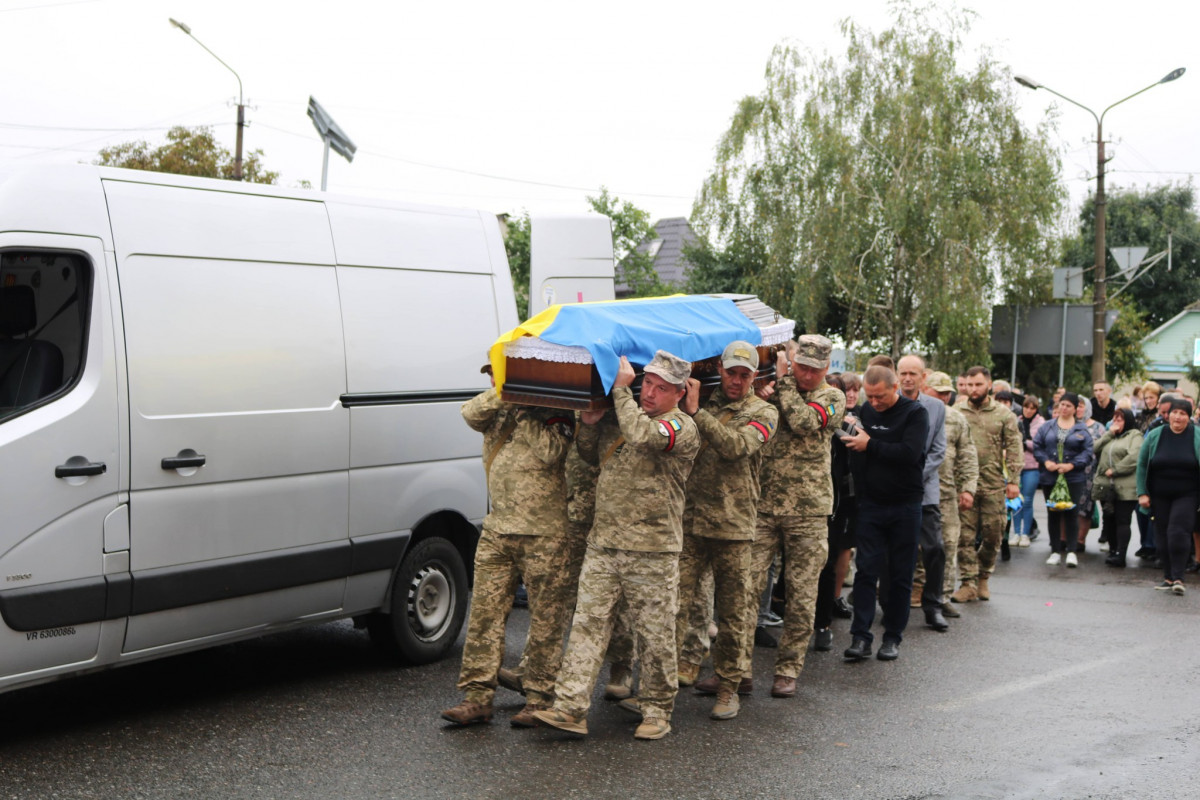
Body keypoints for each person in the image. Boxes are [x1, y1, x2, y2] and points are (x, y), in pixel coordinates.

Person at [535, 351, 699, 741]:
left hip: (653, 550)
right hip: (605, 543)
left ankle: (657, 708)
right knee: (587, 624)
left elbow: (644, 437)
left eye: (661, 388)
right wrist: (590, 425)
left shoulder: (681, 426)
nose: (650, 393)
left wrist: (622, 392)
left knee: (655, 633)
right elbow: (591, 457)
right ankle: (570, 707)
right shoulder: (623, 417)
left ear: (679, 393)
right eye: (648, 384)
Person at [442, 375, 573, 727]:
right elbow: (469, 414)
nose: (493, 377)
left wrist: (528, 408)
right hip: (499, 528)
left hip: (545, 532)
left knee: (546, 618)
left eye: (501, 372)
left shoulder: (554, 410)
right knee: (485, 613)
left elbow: (553, 452)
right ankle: (477, 696)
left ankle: (539, 697)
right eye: (493, 372)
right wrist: (505, 393)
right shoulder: (496, 407)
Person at [673, 340, 778, 721]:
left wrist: (696, 412)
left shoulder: (763, 412)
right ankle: (660, 689)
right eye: (731, 372)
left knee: (734, 613)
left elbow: (735, 447)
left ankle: (729, 687)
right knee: (674, 608)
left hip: (734, 526)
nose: (736, 380)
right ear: (720, 368)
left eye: (744, 375)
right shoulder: (705, 400)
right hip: (691, 521)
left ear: (754, 377)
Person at [749, 334, 846, 697]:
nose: (806, 375)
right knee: (746, 589)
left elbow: (805, 421)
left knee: (802, 594)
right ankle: (736, 670)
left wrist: (785, 382)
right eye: (800, 366)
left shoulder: (832, 397)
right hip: (764, 505)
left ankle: (788, 670)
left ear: (825, 369)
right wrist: (764, 394)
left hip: (808, 511)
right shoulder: (775, 388)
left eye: (813, 370)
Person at [841, 365, 928, 662]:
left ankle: (892, 637)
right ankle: (860, 636)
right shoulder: (865, 410)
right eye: (871, 396)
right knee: (866, 571)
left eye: (880, 397)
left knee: (900, 575)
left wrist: (871, 444)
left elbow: (910, 453)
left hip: (905, 504)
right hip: (872, 505)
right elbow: (856, 451)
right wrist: (851, 431)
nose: (875, 403)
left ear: (895, 388)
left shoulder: (915, 413)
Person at [950, 367, 1022, 602]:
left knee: (993, 534)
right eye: (969, 385)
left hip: (993, 485)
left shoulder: (1004, 414)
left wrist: (1013, 480)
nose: (973, 389)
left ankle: (983, 577)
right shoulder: (956, 412)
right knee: (965, 537)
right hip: (963, 485)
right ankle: (968, 582)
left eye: (978, 385)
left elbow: (1013, 447)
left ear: (989, 385)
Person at [896, 355, 948, 632]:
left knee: (934, 549)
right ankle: (893, 604)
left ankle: (933, 605)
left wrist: (914, 475)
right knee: (893, 550)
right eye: (903, 373)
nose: (907, 378)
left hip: (924, 489)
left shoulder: (936, 407)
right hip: (891, 488)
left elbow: (939, 449)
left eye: (913, 373)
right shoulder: (885, 400)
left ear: (923, 376)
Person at [922, 371, 978, 619]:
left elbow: (967, 455)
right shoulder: (914, 413)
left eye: (948, 392)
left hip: (946, 494)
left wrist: (968, 488)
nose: (944, 397)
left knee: (948, 545)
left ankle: (942, 596)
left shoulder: (956, 419)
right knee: (914, 547)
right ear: (927, 390)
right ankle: (915, 591)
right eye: (939, 392)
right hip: (914, 491)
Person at [1136, 397, 1200, 595]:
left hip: (1188, 494)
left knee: (1177, 532)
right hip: (1159, 494)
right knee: (1161, 536)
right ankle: (1168, 576)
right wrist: (1142, 493)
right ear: (1168, 414)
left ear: (1189, 417)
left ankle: (1179, 577)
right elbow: (1142, 464)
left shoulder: (1197, 436)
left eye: (1183, 414)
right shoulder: (1155, 435)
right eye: (1175, 412)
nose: (1178, 417)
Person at [813, 374, 858, 648]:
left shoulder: (848, 427)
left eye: (836, 393)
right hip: (798, 505)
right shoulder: (807, 419)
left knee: (827, 565)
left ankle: (822, 625)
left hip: (833, 504)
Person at [1032, 392, 1093, 567]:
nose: (1064, 408)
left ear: (1075, 409)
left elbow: (1088, 452)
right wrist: (1046, 461)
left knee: (1072, 513)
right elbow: (1038, 446)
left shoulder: (1081, 429)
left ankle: (1072, 551)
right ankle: (1055, 550)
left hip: (1073, 476)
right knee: (1053, 513)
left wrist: (1072, 465)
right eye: (1061, 405)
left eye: (1068, 406)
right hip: (1050, 476)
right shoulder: (1047, 427)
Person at [1094, 408, 1143, 568]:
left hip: (1125, 486)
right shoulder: (1111, 436)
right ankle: (1113, 550)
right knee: (1109, 519)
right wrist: (1108, 433)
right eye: (1114, 420)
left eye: (1120, 420)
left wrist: (1115, 470)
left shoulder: (1134, 435)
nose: (1116, 423)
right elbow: (1094, 448)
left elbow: (1134, 456)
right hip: (1107, 488)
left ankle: (1121, 554)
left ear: (1127, 421)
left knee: (1122, 520)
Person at [1011, 396, 1044, 547]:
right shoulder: (1015, 419)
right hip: (1016, 466)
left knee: (1028, 501)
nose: (1029, 411)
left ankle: (1026, 533)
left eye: (1032, 408)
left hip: (1032, 466)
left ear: (1036, 410)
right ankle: (1016, 532)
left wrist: (1025, 442)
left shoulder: (1041, 423)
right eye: (1026, 407)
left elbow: (1040, 445)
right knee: (1015, 501)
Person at [1075, 398, 1106, 551]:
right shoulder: (1065, 424)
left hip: (1089, 473)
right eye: (1076, 406)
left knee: (1085, 508)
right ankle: (1064, 539)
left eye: (1081, 406)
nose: (1078, 409)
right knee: (1067, 506)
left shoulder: (1098, 428)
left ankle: (1080, 540)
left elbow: (1102, 450)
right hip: (1068, 471)